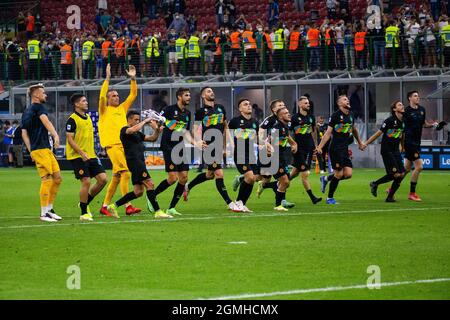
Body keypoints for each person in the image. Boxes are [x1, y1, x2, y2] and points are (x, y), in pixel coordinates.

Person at [183, 87, 242, 212]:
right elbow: (195, 128)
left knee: (210, 175)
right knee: (219, 173)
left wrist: (228, 144)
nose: (212, 92)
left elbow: (226, 127)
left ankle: (188, 186)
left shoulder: (221, 108)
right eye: (208, 91)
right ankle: (230, 203)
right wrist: (198, 141)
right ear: (203, 96)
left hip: (219, 144)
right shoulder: (200, 111)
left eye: (212, 91)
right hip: (208, 145)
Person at [106, 110, 172, 219]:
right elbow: (132, 129)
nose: (137, 121)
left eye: (138, 120)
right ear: (129, 120)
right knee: (150, 184)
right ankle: (158, 211)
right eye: (136, 120)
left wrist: (157, 131)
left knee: (138, 191)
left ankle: (113, 206)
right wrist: (146, 120)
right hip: (134, 161)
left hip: (139, 161)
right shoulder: (124, 130)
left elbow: (152, 138)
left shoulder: (137, 133)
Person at [98, 63, 142, 216]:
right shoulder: (104, 110)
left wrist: (133, 79)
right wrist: (108, 79)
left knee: (116, 177)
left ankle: (104, 206)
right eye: (113, 96)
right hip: (113, 146)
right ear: (108, 99)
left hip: (124, 145)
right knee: (126, 173)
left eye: (117, 95)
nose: (116, 97)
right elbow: (102, 95)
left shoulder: (122, 109)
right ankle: (127, 205)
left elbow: (133, 95)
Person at [153, 88, 205, 216]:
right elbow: (155, 121)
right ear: (179, 97)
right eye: (186, 95)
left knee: (184, 178)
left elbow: (185, 132)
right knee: (172, 178)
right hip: (168, 146)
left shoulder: (187, 113)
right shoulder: (169, 109)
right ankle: (152, 196)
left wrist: (195, 143)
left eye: (189, 95)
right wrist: (158, 129)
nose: (189, 97)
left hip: (180, 146)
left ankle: (171, 207)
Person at [21, 84, 62, 222]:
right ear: (36, 95)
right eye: (43, 93)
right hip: (41, 149)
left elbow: (24, 133)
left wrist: (30, 150)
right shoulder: (39, 108)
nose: (45, 95)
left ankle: (49, 209)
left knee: (57, 178)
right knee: (47, 179)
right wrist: (55, 135)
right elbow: (46, 121)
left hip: (41, 149)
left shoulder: (26, 112)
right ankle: (43, 213)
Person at [66, 93, 108, 221]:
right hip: (77, 156)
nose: (86, 103)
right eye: (83, 101)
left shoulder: (88, 117)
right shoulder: (72, 119)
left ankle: (84, 202)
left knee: (103, 180)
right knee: (86, 181)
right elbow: (70, 140)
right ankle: (84, 213)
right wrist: (81, 153)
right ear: (76, 104)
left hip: (91, 155)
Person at [316, 95, 364, 204]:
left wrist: (360, 143)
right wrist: (320, 146)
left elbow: (354, 130)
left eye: (347, 99)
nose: (347, 100)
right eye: (344, 99)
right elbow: (328, 133)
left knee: (348, 174)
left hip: (344, 149)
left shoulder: (351, 115)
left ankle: (326, 179)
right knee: (338, 174)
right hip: (335, 148)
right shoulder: (335, 116)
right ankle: (329, 198)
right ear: (339, 103)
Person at [362, 101, 406, 202]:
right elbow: (378, 133)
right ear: (394, 109)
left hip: (396, 151)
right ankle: (376, 184)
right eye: (399, 105)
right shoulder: (389, 121)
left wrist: (402, 146)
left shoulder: (403, 122)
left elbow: (402, 135)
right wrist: (366, 143)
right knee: (395, 174)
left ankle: (388, 196)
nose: (402, 106)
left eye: (402, 105)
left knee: (402, 174)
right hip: (387, 150)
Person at [403, 91, 439, 201]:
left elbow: (424, 124)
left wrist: (432, 125)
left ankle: (392, 187)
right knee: (419, 167)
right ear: (409, 98)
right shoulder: (406, 111)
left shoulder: (422, 110)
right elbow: (402, 128)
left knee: (407, 169)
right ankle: (412, 193)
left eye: (418, 96)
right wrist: (401, 143)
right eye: (415, 96)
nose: (418, 97)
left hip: (417, 142)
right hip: (409, 142)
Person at [228, 99, 259, 212]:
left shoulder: (255, 122)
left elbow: (256, 138)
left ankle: (242, 203)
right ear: (240, 109)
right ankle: (239, 202)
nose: (249, 106)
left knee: (253, 179)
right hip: (240, 153)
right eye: (245, 104)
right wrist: (230, 145)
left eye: (249, 104)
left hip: (251, 153)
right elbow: (226, 131)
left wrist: (265, 145)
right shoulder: (235, 121)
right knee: (250, 177)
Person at [289, 96, 322, 204]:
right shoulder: (294, 118)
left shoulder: (311, 117)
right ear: (300, 105)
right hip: (299, 149)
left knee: (294, 173)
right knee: (305, 173)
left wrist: (316, 145)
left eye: (308, 103)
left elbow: (313, 132)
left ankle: (275, 185)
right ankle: (313, 198)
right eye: (306, 103)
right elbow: (287, 133)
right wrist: (293, 144)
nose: (308, 104)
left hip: (309, 148)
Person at [269, 107, 297, 211]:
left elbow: (290, 140)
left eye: (288, 112)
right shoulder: (276, 128)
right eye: (286, 113)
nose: (289, 114)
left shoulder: (285, 127)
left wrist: (294, 145)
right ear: (280, 116)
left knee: (286, 182)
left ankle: (265, 185)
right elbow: (268, 141)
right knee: (284, 181)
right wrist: (270, 150)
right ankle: (278, 205)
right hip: (275, 158)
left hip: (282, 158)